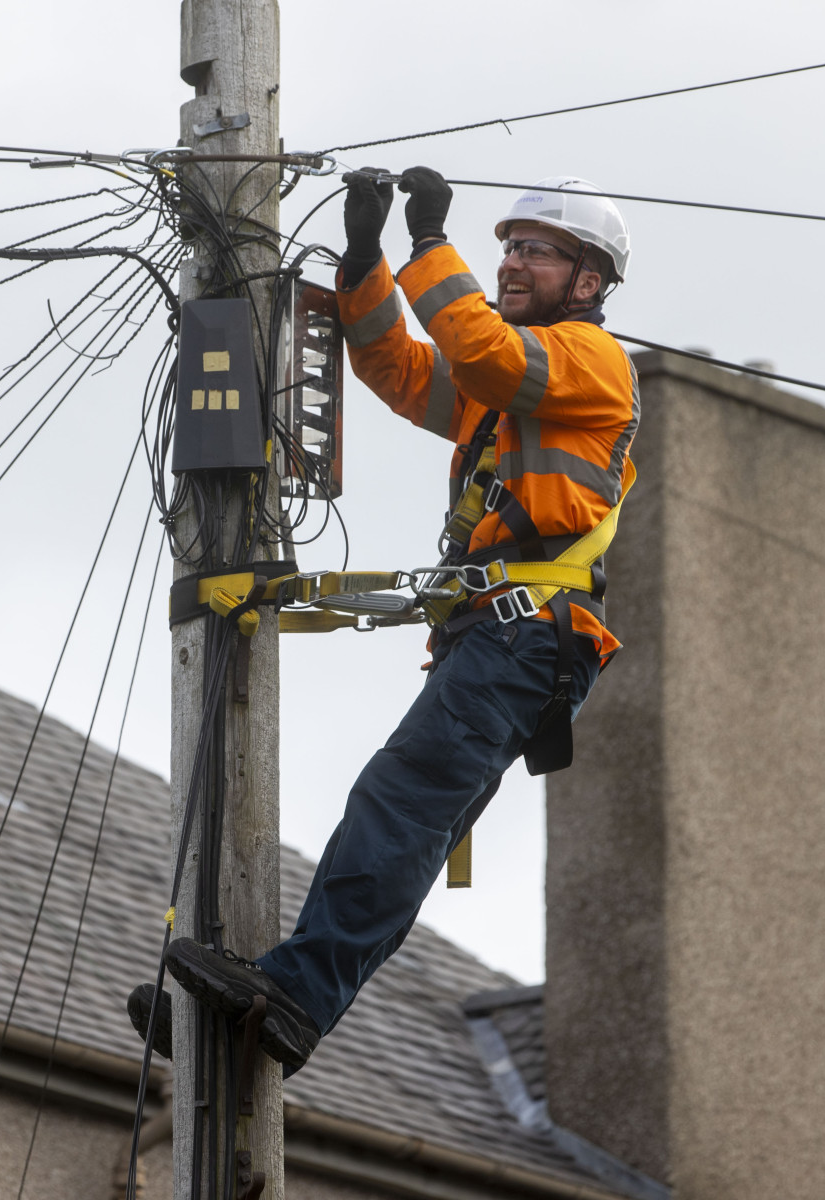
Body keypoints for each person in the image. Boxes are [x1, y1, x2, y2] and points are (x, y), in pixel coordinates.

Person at [131, 168, 640, 1074]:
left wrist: (427, 244)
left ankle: (296, 996)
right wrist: (367, 263)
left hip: (526, 633)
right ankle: (249, 1029)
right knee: (405, 813)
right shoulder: (507, 392)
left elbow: (481, 351)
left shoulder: (591, 363)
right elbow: (402, 372)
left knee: (397, 805)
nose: (512, 262)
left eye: (535, 251)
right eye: (510, 248)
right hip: (504, 637)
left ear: (588, 281)